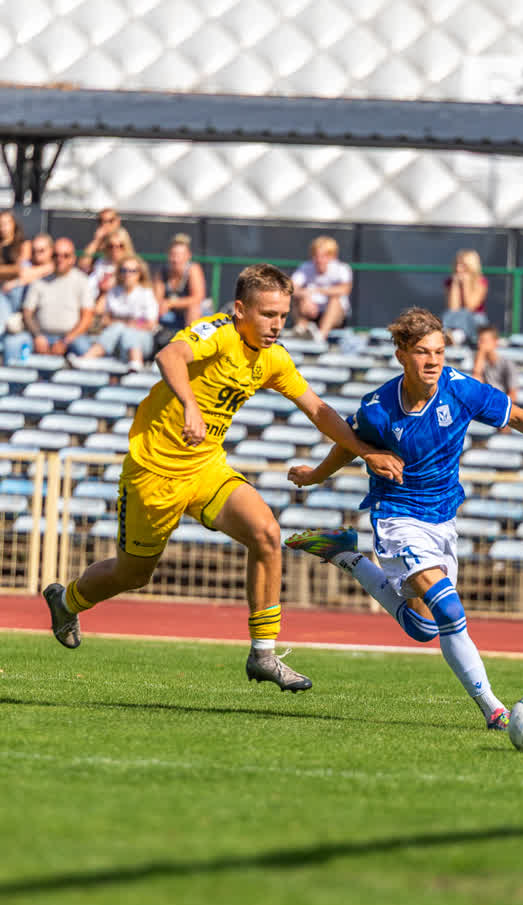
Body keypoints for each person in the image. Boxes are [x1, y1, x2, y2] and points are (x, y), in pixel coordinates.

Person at [41, 263, 404, 693]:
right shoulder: (218, 332)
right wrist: (190, 406)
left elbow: (319, 410)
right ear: (240, 310)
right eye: (268, 314)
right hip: (154, 472)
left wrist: (365, 452)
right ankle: (66, 601)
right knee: (133, 574)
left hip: (206, 466)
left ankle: (263, 653)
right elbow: (168, 356)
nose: (277, 325)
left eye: (283, 316)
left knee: (266, 533)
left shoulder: (273, 358)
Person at [282, 306, 523, 729]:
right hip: (398, 516)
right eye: (423, 352)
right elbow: (347, 444)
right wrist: (314, 476)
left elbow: (517, 416)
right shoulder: (378, 408)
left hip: (442, 519)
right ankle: (495, 710)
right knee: (451, 612)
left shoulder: (460, 390)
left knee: (423, 627)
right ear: (402, 355)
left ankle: (345, 555)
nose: (433, 361)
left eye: (439, 352)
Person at [6, 238, 96, 362]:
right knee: (12, 343)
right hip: (41, 335)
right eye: (56, 255)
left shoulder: (82, 281)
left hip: (71, 337)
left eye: (66, 256)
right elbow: (27, 314)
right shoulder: (39, 281)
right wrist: (38, 336)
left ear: (73, 258)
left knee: (84, 349)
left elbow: (87, 318)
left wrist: (65, 341)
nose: (60, 259)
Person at [72, 257, 159, 370]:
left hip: (142, 341)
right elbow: (104, 320)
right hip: (116, 339)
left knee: (128, 332)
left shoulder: (146, 293)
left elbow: (151, 324)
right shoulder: (113, 292)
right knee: (117, 328)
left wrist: (124, 324)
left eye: (132, 271)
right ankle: (89, 359)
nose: (128, 274)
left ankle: (136, 361)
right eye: (124, 270)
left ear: (140, 274)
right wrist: (127, 323)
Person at [153, 233, 209, 347]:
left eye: (180, 255)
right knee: (153, 309)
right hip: (172, 314)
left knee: (193, 309)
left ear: (188, 256)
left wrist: (171, 303)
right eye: (173, 254)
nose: (175, 259)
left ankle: (189, 346)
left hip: (197, 313)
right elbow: (157, 299)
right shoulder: (162, 271)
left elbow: (198, 298)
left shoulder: (193, 269)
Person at [290, 236, 352, 339]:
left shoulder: (342, 269)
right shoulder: (305, 267)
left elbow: (345, 289)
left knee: (335, 300)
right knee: (297, 298)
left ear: (333, 256)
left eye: (324, 256)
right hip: (309, 313)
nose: (319, 260)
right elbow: (292, 287)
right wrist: (305, 296)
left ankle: (321, 336)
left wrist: (316, 291)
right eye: (316, 255)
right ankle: (301, 329)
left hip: (335, 317)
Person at [442, 249, 489, 344]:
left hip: (474, 320)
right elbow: (453, 308)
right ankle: (454, 336)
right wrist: (455, 284)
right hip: (455, 320)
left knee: (466, 315)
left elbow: (470, 306)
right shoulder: (449, 282)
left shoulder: (481, 282)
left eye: (463, 265)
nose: (458, 269)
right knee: (449, 315)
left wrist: (466, 284)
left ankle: (456, 337)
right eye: (457, 264)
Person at [472, 324, 517, 418]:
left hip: (501, 408)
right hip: (483, 407)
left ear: (495, 342)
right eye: (479, 340)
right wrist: (481, 355)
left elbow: (513, 394)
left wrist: (498, 407)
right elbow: (476, 383)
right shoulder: (478, 361)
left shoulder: (507, 364)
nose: (479, 344)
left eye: (483, 341)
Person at [78, 207, 122, 275]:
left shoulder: (123, 241)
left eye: (110, 221)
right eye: (101, 221)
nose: (105, 225)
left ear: (118, 221)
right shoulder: (96, 244)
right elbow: (82, 266)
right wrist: (96, 240)